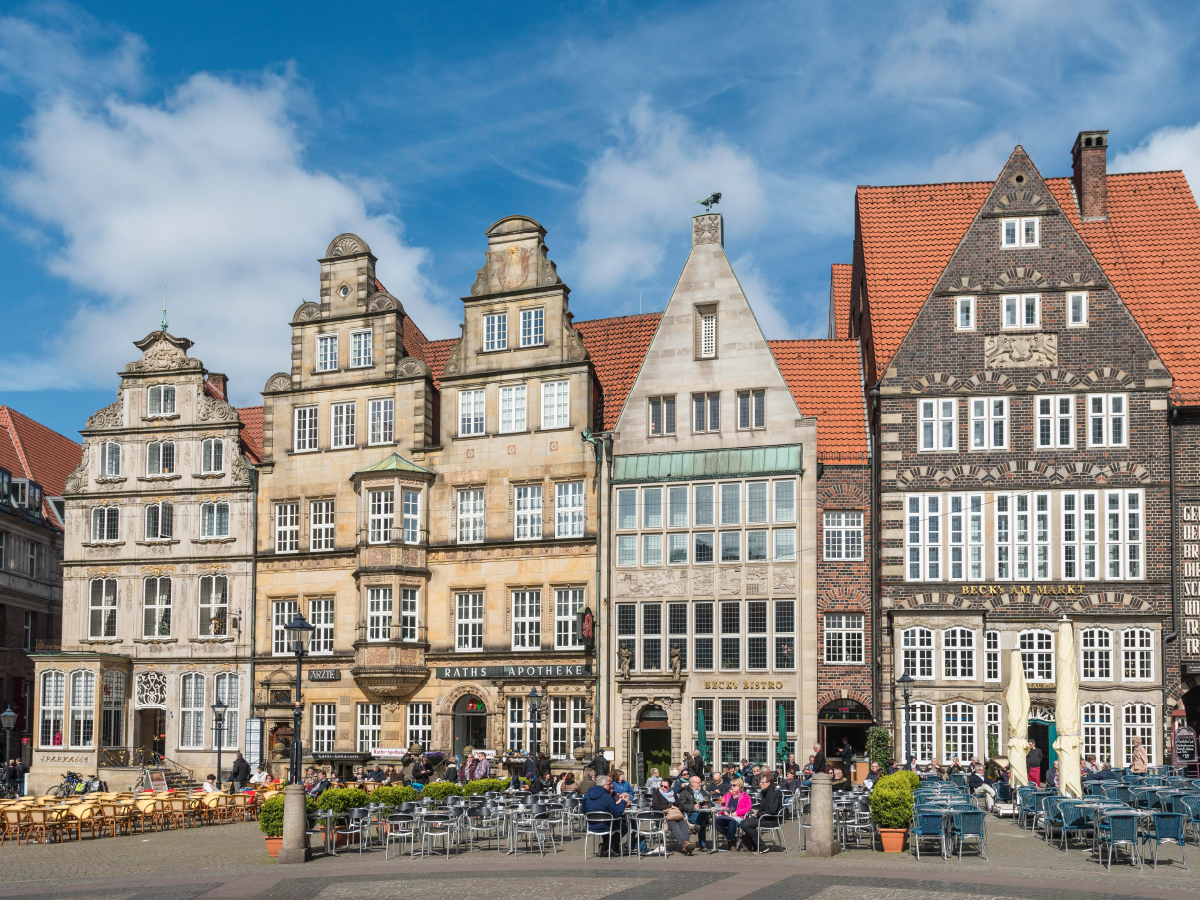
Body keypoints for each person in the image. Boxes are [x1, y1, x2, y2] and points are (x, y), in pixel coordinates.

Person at [582, 775, 629, 855]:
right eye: (609, 784)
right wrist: (623, 802)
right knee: (624, 827)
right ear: (604, 786)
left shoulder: (586, 796)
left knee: (607, 822)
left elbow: (583, 810)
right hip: (605, 825)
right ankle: (607, 845)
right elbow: (617, 813)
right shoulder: (607, 797)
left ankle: (606, 848)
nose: (610, 785)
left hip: (591, 825)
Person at [740, 771, 782, 853]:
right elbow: (766, 807)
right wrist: (758, 813)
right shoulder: (766, 793)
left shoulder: (772, 794)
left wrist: (759, 814)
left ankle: (762, 847)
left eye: (762, 782)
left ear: (768, 783)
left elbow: (772, 811)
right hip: (765, 817)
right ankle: (755, 846)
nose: (760, 784)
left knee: (747, 825)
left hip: (772, 820)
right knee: (743, 822)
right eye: (760, 782)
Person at [651, 778, 691, 854]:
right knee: (675, 826)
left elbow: (681, 806)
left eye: (665, 787)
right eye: (661, 785)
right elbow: (656, 806)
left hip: (676, 816)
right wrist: (670, 807)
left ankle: (687, 844)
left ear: (669, 787)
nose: (662, 788)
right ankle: (685, 846)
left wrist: (677, 809)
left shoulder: (673, 793)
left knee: (683, 824)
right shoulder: (657, 793)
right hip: (664, 818)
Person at [677, 774, 711, 852]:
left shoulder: (703, 792)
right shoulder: (685, 792)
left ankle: (697, 827)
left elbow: (710, 802)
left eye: (700, 782)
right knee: (700, 820)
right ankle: (703, 845)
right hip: (692, 814)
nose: (700, 784)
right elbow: (681, 805)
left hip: (704, 813)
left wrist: (707, 806)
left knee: (702, 816)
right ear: (692, 783)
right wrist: (693, 806)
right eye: (698, 783)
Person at [716, 778, 752, 850]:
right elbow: (720, 802)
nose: (732, 787)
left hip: (738, 816)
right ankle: (732, 838)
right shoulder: (727, 795)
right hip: (726, 815)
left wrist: (737, 812)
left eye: (734, 785)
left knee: (731, 822)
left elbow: (748, 808)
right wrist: (723, 810)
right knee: (716, 822)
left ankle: (730, 842)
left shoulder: (745, 796)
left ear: (739, 786)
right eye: (731, 785)